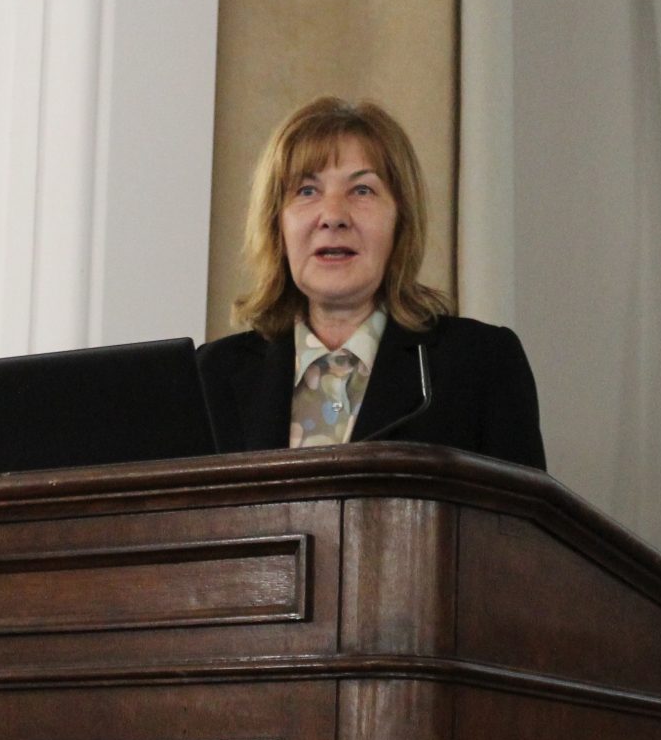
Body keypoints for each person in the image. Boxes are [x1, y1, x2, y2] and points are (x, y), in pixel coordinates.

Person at [196, 96, 547, 470]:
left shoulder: (481, 364)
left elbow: (517, 509)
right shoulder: (209, 376)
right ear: (276, 225)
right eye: (307, 190)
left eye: (362, 190)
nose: (333, 216)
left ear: (401, 220)